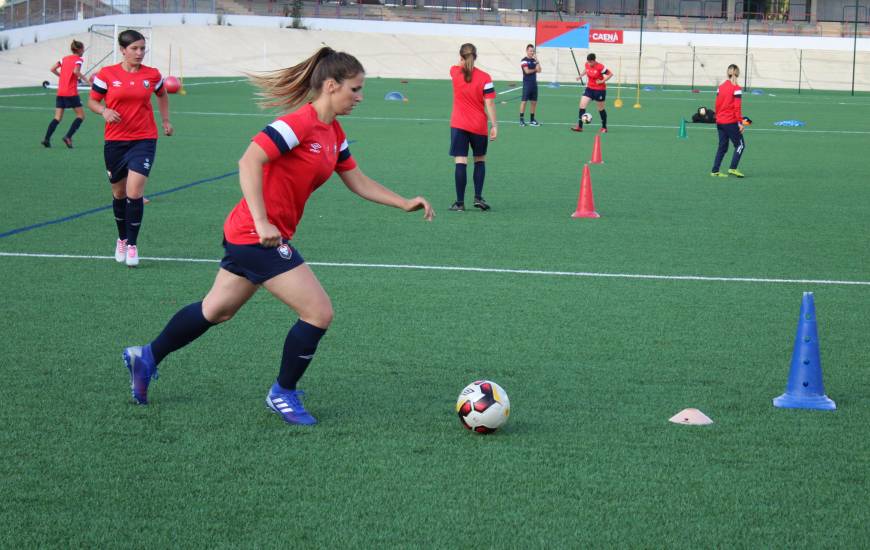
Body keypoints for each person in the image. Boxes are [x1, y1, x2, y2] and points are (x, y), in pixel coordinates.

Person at [120, 47, 435, 426]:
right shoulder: (298, 123)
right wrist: (263, 220)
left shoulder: (334, 132)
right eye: (355, 88)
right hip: (256, 234)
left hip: (256, 233)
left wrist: (403, 203)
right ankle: (282, 393)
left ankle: (146, 356)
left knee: (217, 310)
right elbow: (249, 160)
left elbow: (356, 179)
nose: (360, 96)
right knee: (319, 312)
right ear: (331, 86)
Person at [87, 29, 173, 268]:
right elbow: (93, 101)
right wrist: (103, 110)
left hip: (144, 139)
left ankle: (133, 245)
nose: (139, 53)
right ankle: (122, 239)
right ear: (123, 50)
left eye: (142, 48)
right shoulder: (107, 74)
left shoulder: (153, 75)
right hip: (115, 142)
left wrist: (165, 120)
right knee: (119, 193)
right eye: (134, 48)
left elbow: (163, 95)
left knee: (135, 193)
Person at [449, 43, 497, 212]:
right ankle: (478, 197)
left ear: (461, 57)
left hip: (459, 124)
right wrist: (494, 125)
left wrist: (462, 62)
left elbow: (457, 66)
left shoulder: (454, 72)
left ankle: (460, 203)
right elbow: (490, 102)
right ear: (475, 57)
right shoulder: (485, 77)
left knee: (461, 161)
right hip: (478, 125)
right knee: (480, 160)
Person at [42, 40, 87, 148]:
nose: (83, 51)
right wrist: (86, 80)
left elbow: (52, 69)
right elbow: (76, 71)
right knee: (81, 115)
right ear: (79, 49)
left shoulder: (64, 59)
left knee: (57, 117)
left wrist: (61, 76)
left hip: (61, 92)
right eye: (83, 49)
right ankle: (68, 136)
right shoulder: (79, 59)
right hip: (71, 92)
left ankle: (46, 139)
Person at [710, 64, 746, 178]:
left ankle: (715, 171)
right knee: (740, 145)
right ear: (738, 73)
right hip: (730, 122)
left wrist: (718, 117)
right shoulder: (737, 89)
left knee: (722, 147)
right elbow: (737, 107)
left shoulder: (720, 87)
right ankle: (733, 168)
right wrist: (740, 123)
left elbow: (717, 104)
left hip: (720, 121)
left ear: (728, 73)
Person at [572, 53, 613, 133]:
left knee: (600, 109)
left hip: (599, 90)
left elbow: (610, 74)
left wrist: (602, 81)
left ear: (594, 61)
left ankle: (604, 127)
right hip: (589, 89)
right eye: (588, 62)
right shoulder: (587, 64)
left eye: (591, 62)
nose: (589, 64)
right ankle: (580, 127)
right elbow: (586, 70)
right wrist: (580, 76)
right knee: (582, 106)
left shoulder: (600, 67)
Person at [519, 44, 542, 127]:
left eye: (533, 51)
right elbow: (527, 71)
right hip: (527, 84)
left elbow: (539, 70)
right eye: (530, 51)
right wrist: (535, 69)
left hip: (534, 84)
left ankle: (532, 120)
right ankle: (521, 120)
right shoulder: (524, 60)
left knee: (533, 102)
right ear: (527, 51)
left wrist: (537, 61)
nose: (532, 52)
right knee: (524, 101)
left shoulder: (534, 60)